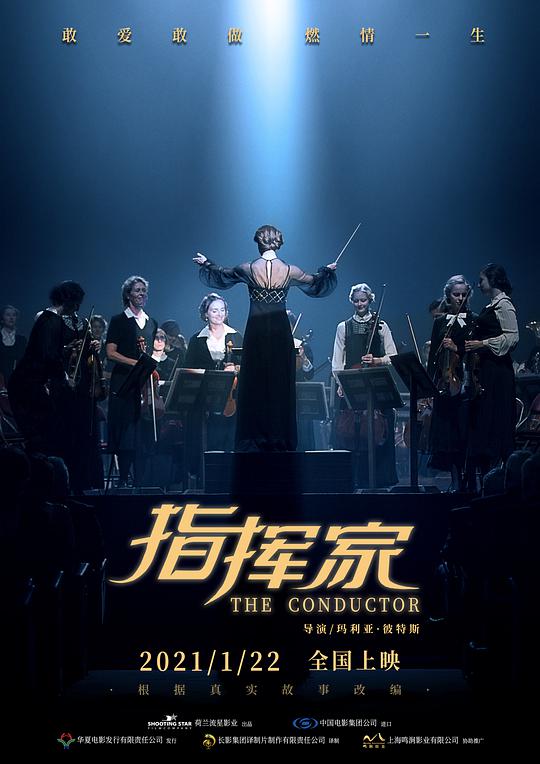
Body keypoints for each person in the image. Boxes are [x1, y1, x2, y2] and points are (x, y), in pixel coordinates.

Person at [193, 224, 337, 451]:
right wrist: (326, 271)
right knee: (280, 384)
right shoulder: (289, 270)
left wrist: (207, 263)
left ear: (258, 243)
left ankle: (254, 437)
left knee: (255, 383)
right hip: (280, 332)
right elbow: (314, 281)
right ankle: (280, 437)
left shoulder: (249, 268)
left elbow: (222, 274)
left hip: (257, 331)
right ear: (278, 244)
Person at [332, 282, 398, 487]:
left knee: (380, 428)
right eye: (356, 301)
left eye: (363, 300)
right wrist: (340, 382)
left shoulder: (381, 325)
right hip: (351, 383)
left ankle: (380, 478)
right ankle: (353, 477)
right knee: (350, 431)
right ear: (351, 301)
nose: (360, 304)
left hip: (375, 383)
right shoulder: (343, 327)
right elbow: (337, 360)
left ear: (370, 300)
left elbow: (393, 356)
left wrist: (377, 360)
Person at [465, 264, 519, 480]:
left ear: (493, 280)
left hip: (498, 373)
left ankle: (500, 479)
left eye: (482, 280)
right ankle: (486, 478)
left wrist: (482, 344)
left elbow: (512, 337)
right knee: (484, 422)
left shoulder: (504, 305)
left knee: (496, 421)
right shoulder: (493, 305)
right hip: (487, 371)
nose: (478, 284)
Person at [106, 276, 158, 486]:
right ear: (128, 295)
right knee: (126, 431)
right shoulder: (119, 320)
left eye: (144, 290)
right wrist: (135, 364)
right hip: (123, 383)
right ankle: (122, 480)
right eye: (137, 290)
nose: (142, 294)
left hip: (142, 384)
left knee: (142, 433)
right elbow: (111, 353)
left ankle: (141, 481)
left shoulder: (151, 322)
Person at [427, 275, 476, 491]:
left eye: (464, 294)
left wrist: (458, 348)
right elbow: (433, 357)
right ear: (448, 296)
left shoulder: (474, 319)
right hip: (445, 384)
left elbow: (476, 350)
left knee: (466, 434)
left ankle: (471, 480)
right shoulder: (440, 322)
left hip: (467, 381)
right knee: (449, 437)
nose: (460, 298)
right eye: (456, 294)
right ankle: (456, 480)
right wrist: (430, 386)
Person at [184, 294, 243, 472]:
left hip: (232, 398)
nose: (219, 314)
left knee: (231, 441)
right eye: (214, 310)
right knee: (210, 441)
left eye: (222, 310)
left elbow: (249, 364)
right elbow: (189, 369)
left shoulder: (236, 336)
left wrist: (236, 368)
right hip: (206, 399)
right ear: (206, 314)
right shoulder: (197, 340)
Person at [0, 305, 27, 385]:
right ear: (2, 318)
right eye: (8, 315)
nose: (11, 318)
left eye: (14, 315)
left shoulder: (21, 340)